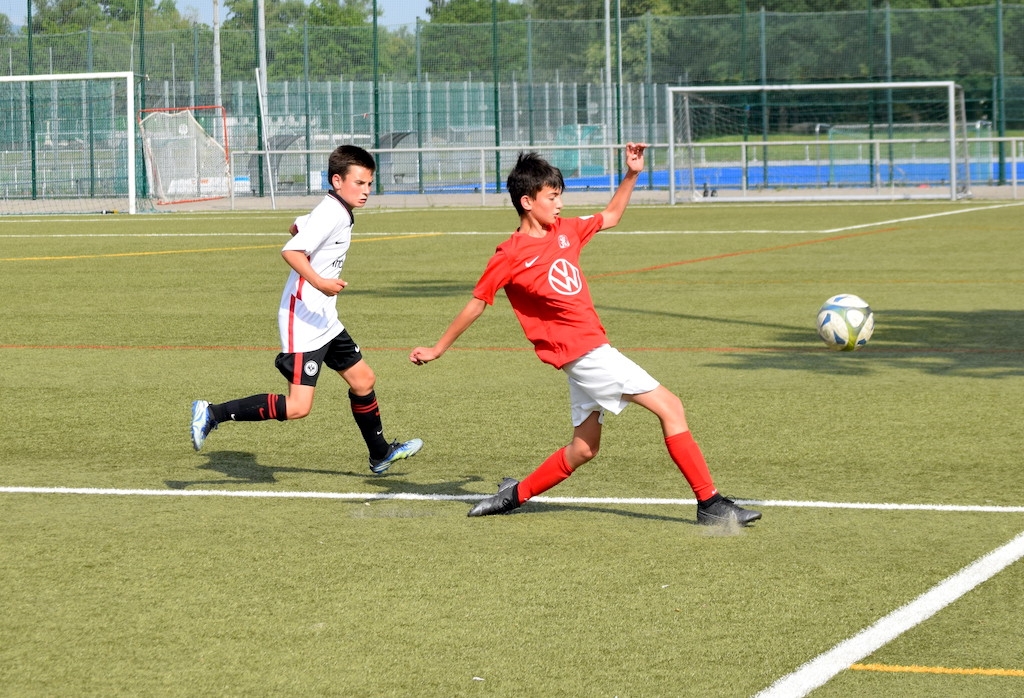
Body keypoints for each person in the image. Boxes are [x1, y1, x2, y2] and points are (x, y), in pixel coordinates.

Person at [409, 144, 759, 525]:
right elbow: (477, 303)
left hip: (587, 353)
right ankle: (709, 503)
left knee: (584, 448)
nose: (559, 204)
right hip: (587, 354)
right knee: (671, 407)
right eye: (552, 197)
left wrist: (632, 174)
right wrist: (437, 349)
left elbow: (611, 216)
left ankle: (513, 495)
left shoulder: (567, 231)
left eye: (560, 196)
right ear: (527, 202)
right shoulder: (509, 255)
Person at [191, 144, 422, 474]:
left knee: (363, 379)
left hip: (324, 316)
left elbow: (296, 227)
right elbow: (291, 249)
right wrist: (320, 281)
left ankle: (380, 454)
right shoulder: (332, 213)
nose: (366, 190)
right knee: (298, 407)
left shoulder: (336, 209)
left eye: (370, 183)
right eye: (359, 183)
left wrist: (320, 277)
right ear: (337, 181)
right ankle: (211, 413)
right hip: (302, 319)